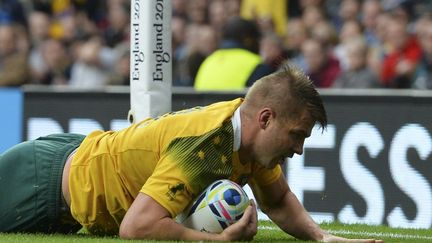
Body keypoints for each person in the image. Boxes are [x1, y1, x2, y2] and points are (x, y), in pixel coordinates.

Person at [0, 64, 382, 242]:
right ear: (266, 118)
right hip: (43, 183)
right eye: (296, 136)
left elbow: (279, 202)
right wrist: (216, 242)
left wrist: (323, 239)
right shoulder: (207, 145)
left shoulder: (248, 142)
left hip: (74, 169)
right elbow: (135, 228)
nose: (298, 150)